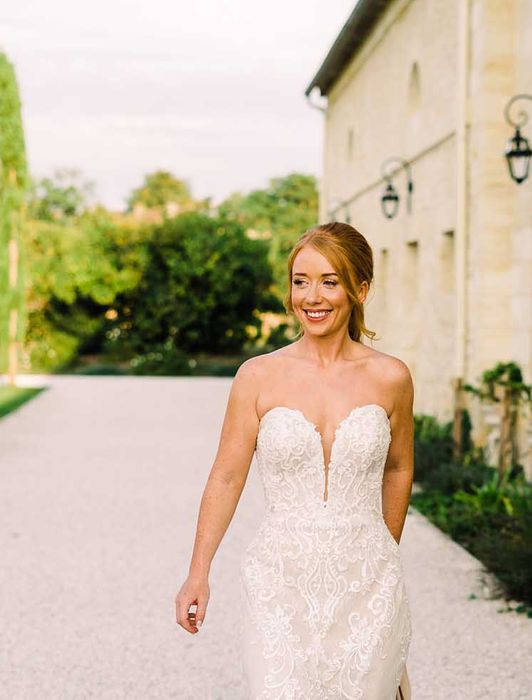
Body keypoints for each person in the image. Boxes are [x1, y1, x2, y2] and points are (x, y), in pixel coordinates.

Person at [175, 222, 414, 699]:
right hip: (278, 581)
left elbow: (398, 467)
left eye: (330, 280)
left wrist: (382, 552)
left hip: (368, 580)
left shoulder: (391, 377)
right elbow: (226, 477)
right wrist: (198, 572)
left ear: (360, 289)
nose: (312, 296)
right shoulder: (258, 377)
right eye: (300, 280)